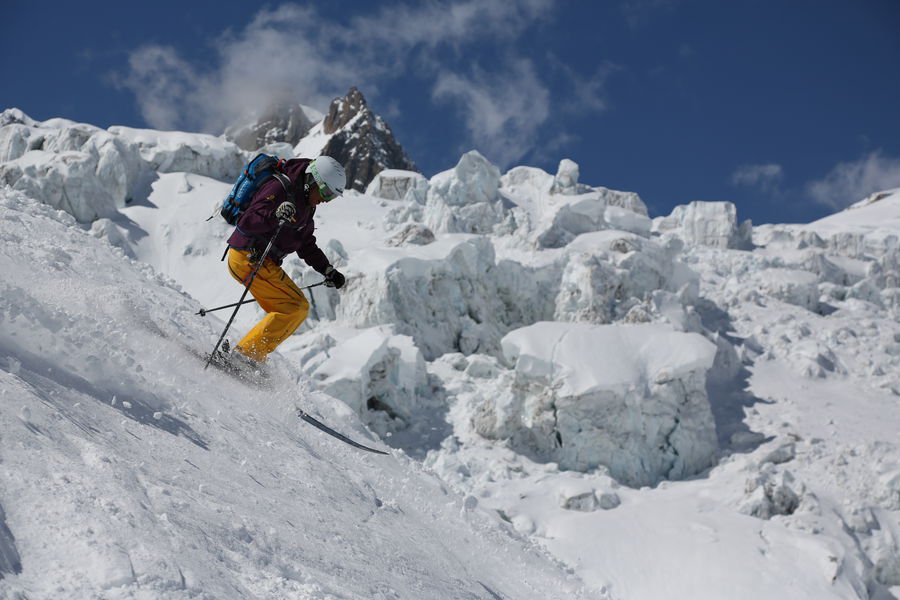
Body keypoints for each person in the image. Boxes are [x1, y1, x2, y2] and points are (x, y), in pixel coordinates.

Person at [224, 155, 347, 365]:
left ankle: (248, 355)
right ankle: (245, 356)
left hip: (262, 262)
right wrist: (274, 216)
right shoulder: (279, 188)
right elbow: (246, 223)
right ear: (312, 180)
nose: (326, 200)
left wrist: (327, 269)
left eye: (332, 197)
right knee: (294, 307)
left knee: (293, 308)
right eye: (326, 193)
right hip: (247, 257)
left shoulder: (306, 206)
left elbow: (305, 243)